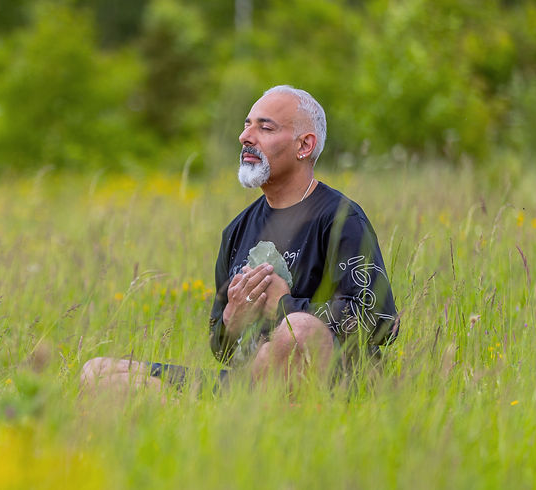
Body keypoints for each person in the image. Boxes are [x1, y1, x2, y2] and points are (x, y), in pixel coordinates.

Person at [80, 85, 399, 393]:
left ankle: (211, 410)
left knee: (297, 331)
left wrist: (285, 306)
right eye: (247, 125)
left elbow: (380, 320)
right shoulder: (237, 230)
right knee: (98, 371)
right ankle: (203, 414)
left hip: (330, 386)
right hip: (244, 386)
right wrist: (232, 320)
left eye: (265, 128)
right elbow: (223, 351)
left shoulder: (340, 219)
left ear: (304, 146)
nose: (245, 137)